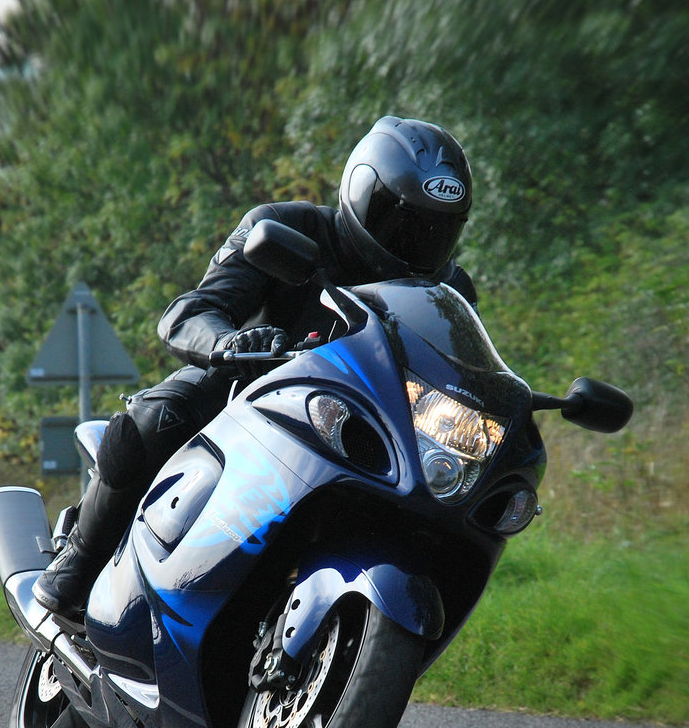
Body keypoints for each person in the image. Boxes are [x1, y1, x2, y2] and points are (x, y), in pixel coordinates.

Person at [33, 115, 478, 622]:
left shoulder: (449, 293)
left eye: (433, 231)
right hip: (250, 389)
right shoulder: (286, 228)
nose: (414, 242)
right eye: (400, 221)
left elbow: (458, 373)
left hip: (367, 423)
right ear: (361, 194)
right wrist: (231, 343)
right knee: (157, 420)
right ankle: (80, 559)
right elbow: (190, 312)